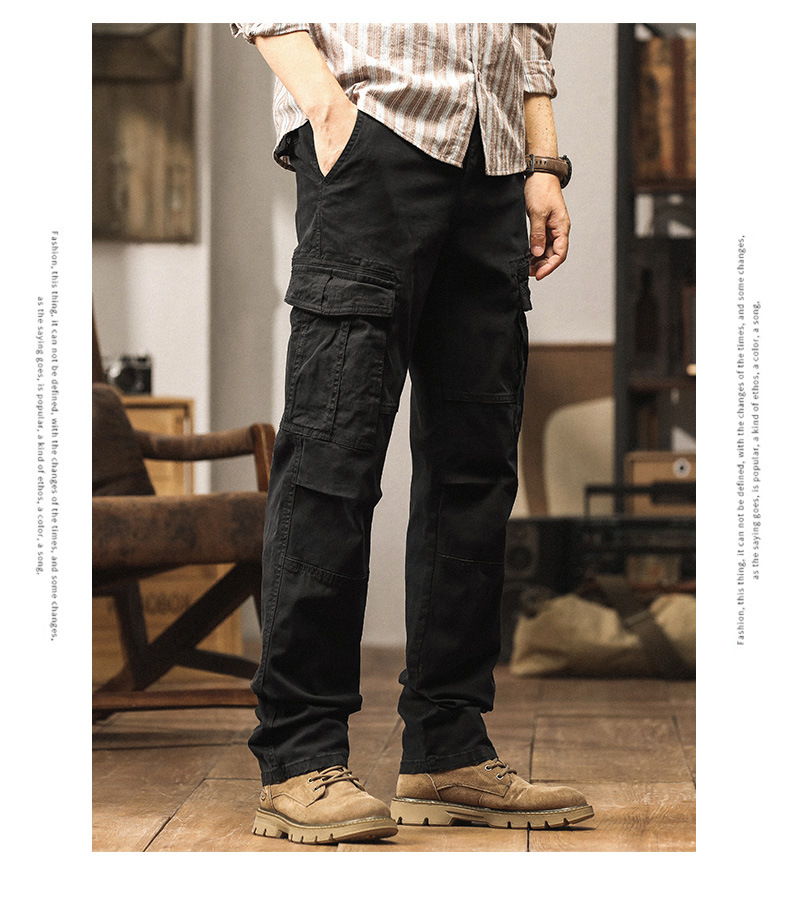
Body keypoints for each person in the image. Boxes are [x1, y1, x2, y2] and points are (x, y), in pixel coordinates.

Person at [230, 23, 593, 844]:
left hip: (494, 161)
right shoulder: (349, 125)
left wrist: (542, 161)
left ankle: (448, 746)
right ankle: (299, 755)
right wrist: (328, 110)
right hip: (375, 136)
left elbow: (532, 26)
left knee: (476, 470)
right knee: (334, 455)